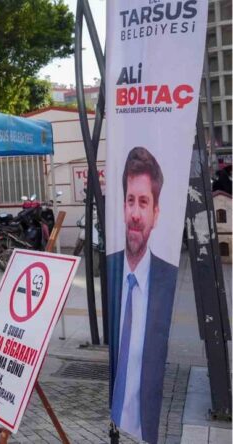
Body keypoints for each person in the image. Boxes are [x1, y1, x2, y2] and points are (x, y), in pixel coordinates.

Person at [108, 146, 178, 444]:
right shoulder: (109, 269)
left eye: (144, 202)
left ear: (156, 213)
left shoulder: (167, 278)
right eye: (130, 201)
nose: (135, 213)